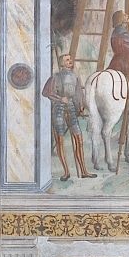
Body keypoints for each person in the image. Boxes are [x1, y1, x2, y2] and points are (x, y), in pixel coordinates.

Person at [43, 53, 92, 181]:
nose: (70, 61)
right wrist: (60, 98)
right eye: (67, 60)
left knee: (79, 140)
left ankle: (84, 171)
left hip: (71, 108)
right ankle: (66, 172)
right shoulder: (56, 77)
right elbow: (46, 92)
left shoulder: (75, 77)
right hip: (59, 109)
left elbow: (78, 94)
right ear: (61, 63)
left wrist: (80, 105)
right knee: (60, 141)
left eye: (70, 59)